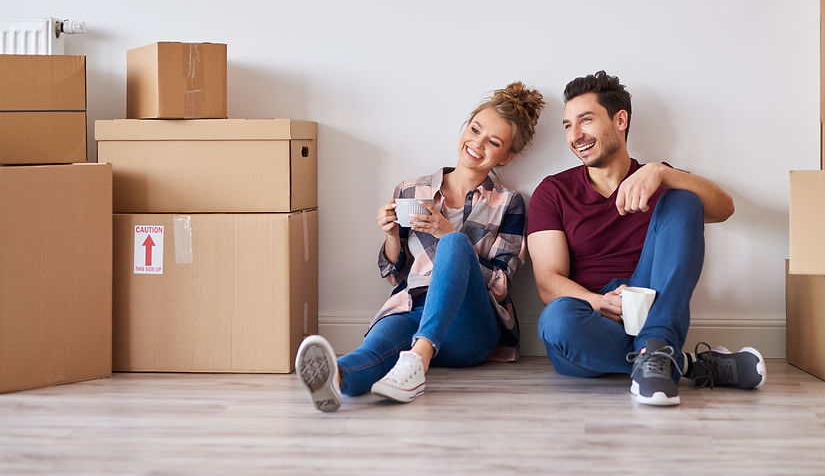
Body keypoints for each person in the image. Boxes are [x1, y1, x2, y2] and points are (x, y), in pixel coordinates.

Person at [296, 82, 544, 412]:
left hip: (470, 328)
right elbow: (393, 274)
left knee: (454, 243)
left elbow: (500, 285)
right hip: (413, 307)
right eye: (475, 130)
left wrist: (447, 232)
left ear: (506, 156)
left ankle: (418, 359)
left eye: (493, 142)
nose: (477, 144)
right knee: (372, 352)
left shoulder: (509, 203)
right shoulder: (411, 190)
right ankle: (337, 380)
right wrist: (390, 234)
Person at [527, 71, 765, 407]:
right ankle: (683, 364)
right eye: (568, 125)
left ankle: (656, 345)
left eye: (586, 120)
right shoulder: (553, 192)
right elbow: (548, 282)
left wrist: (663, 172)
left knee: (684, 199)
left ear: (620, 119)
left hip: (652, 305)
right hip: (593, 318)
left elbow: (724, 208)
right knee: (556, 321)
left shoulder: (656, 179)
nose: (575, 135)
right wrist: (598, 301)